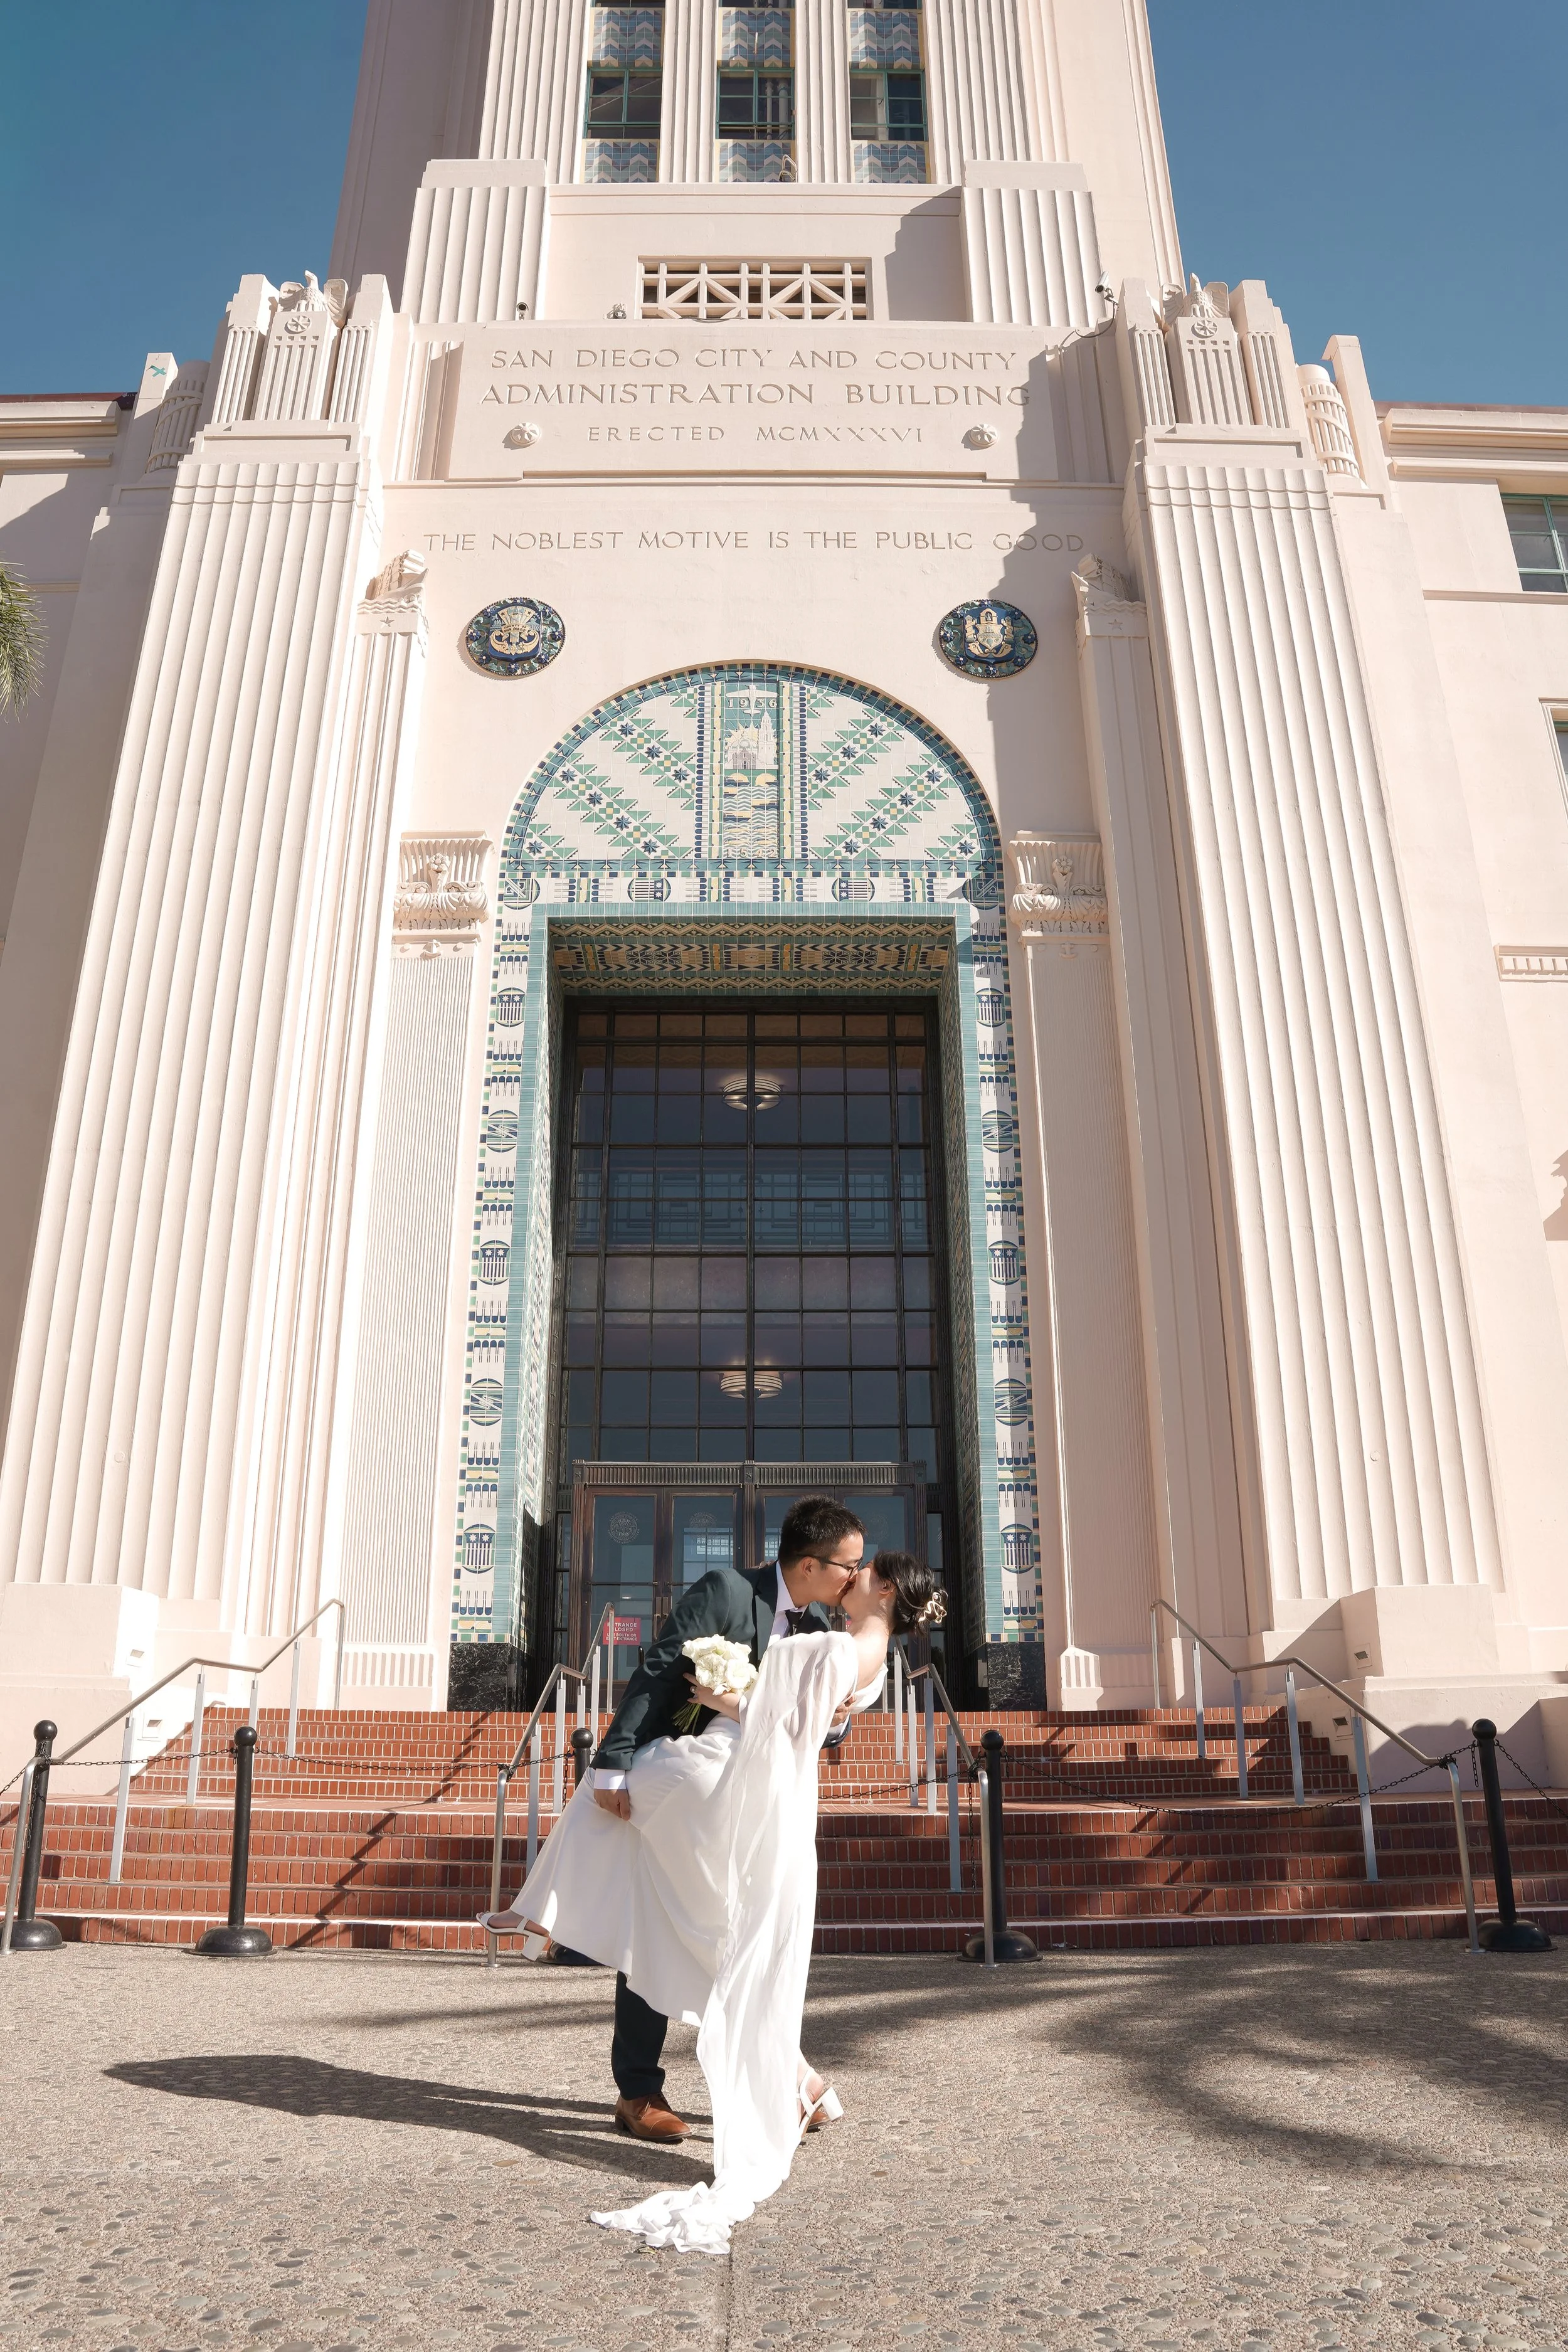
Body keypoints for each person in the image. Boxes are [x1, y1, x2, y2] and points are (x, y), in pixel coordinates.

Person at [485, 1546, 945, 2254]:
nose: (850, 1578)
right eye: (845, 1564)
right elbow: (806, 1721)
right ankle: (794, 2078)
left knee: (654, 1828)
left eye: (862, 1570)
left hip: (742, 1791)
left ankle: (540, 1904)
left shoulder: (827, 1644)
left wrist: (718, 1697)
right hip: (776, 1810)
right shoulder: (871, 1664)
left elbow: (786, 1725)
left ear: (881, 1587)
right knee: (696, 1914)